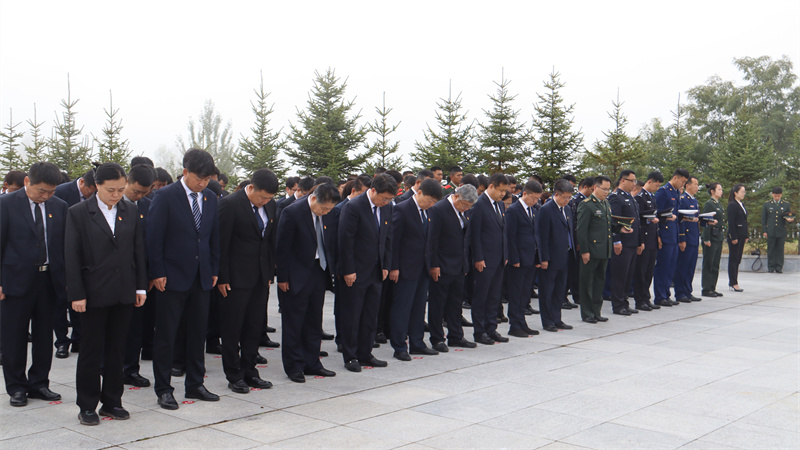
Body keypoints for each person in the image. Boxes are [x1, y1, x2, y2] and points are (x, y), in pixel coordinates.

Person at [66, 163, 148, 425]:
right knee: (91, 350)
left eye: (120, 190)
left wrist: (140, 286)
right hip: (92, 293)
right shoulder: (78, 213)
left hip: (124, 290)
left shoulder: (130, 210)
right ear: (97, 186)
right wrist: (77, 293)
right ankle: (87, 405)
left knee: (117, 349)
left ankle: (112, 401)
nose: (116, 195)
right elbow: (71, 255)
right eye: (111, 190)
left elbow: (138, 250)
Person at [147, 148, 220, 410]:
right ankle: (164, 388)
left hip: (201, 277)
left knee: (198, 333)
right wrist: (157, 272)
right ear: (185, 172)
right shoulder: (165, 196)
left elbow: (212, 236)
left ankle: (195, 384)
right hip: (172, 277)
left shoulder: (210, 197)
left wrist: (214, 269)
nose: (202, 184)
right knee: (167, 335)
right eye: (199, 178)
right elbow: (154, 237)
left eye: (207, 179)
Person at [0, 162, 67, 407]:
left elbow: (63, 246)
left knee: (43, 335)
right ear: (27, 181)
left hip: (48, 279)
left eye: (51, 191)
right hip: (15, 280)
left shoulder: (59, 206)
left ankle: (39, 383)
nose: (46, 196)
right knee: (14, 336)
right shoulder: (6, 204)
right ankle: (16, 387)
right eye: (41, 191)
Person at [216, 169, 278, 392]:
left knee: (254, 326)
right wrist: (222, 276)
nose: (265, 202)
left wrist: (269, 272)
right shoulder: (230, 204)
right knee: (233, 328)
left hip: (260, 277)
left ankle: (250, 370)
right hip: (235, 278)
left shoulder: (271, 206)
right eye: (262, 197)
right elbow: (221, 243)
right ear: (250, 187)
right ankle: (234, 374)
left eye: (269, 198)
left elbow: (269, 241)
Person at [277, 183, 340, 383]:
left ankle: (312, 362)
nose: (325, 212)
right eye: (323, 208)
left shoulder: (328, 213)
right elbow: (282, 247)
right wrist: (283, 278)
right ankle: (294, 366)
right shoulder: (292, 213)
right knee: (294, 322)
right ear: (313, 198)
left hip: (319, 270)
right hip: (296, 273)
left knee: (314, 320)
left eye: (329, 209)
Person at [338, 173, 395, 372]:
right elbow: (346, 240)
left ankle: (365, 352)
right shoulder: (353, 207)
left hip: (376, 270)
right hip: (355, 271)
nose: (386, 202)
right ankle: (350, 355)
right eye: (384, 198)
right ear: (373, 190)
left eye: (389, 199)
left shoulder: (387, 208)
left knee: (370, 315)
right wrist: (348, 269)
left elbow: (388, 238)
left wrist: (386, 265)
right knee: (353, 315)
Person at [388, 178, 442, 361]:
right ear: (419, 193)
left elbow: (432, 241)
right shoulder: (402, 209)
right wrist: (394, 267)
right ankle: (399, 346)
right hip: (405, 269)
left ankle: (417, 343)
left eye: (434, 202)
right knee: (402, 308)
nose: (431, 205)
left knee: (419, 308)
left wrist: (433, 264)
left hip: (423, 268)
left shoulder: (430, 212)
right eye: (429, 200)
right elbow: (394, 242)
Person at [426, 184, 478, 351]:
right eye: (464, 205)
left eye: (469, 206)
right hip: (442, 264)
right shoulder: (439, 209)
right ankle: (437, 338)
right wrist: (434, 264)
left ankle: (456, 335)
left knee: (455, 303)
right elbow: (433, 240)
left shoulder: (464, 212)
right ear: (456, 196)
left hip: (459, 264)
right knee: (438, 303)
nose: (466, 208)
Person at [53, 167, 98, 358]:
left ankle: (78, 339)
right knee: (60, 301)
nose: (92, 196)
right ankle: (62, 342)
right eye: (91, 192)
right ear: (83, 183)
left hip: (84, 255)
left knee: (79, 300)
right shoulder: (61, 193)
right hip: (60, 252)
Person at [122, 165, 156, 388]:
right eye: (136, 191)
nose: (139, 196)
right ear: (126, 181)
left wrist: (150, 275)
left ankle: (130, 369)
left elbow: (151, 243)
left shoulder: (148, 206)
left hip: (138, 277)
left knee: (135, 327)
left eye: (144, 192)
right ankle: (107, 367)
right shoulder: (112, 205)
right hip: (112, 277)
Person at [469, 173, 510, 345]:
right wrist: (478, 257)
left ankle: (491, 328)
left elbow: (503, 231)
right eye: (500, 190)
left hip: (499, 258)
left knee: (494, 296)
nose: (503, 194)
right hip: (484, 259)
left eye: (505, 191)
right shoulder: (479, 204)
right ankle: (479, 331)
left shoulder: (500, 204)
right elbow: (474, 234)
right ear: (491, 186)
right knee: (481, 296)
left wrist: (505, 254)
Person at [577, 176, 624, 323]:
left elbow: (608, 226)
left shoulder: (606, 204)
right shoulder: (586, 205)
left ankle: (596, 311)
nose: (606, 192)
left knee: (599, 282)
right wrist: (585, 251)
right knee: (587, 282)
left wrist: (621, 228)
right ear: (595, 187)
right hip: (591, 250)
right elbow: (581, 230)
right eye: (604, 189)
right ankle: (587, 313)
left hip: (604, 249)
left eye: (608, 189)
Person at [535, 179, 575, 332]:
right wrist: (543, 258)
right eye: (565, 197)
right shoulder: (546, 210)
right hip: (551, 257)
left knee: (560, 289)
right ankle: (547, 321)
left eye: (569, 197)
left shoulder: (568, 209)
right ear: (556, 194)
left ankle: (557, 318)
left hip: (565, 255)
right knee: (547, 290)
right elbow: (542, 236)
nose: (567, 200)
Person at [504, 180, 543, 337]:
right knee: (516, 293)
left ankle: (522, 322)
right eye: (533, 198)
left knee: (525, 293)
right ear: (525, 193)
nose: (535, 201)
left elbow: (536, 235)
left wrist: (538, 258)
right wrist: (514, 258)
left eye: (537, 199)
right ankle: (514, 324)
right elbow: (510, 236)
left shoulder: (533, 210)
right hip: (518, 259)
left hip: (530, 258)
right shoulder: (514, 210)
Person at [607, 170, 643, 315]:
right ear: (623, 180)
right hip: (622, 243)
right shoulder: (616, 197)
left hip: (632, 242)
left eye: (635, 181)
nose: (634, 184)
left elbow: (637, 223)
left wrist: (640, 241)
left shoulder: (630, 197)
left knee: (628, 276)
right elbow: (614, 221)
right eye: (631, 181)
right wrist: (616, 240)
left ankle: (625, 302)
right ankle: (618, 305)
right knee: (620, 275)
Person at [674, 176, 715, 303]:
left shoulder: (694, 200)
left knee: (691, 267)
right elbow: (681, 220)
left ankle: (687, 291)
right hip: (686, 238)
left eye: (698, 184)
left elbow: (695, 220)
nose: (697, 187)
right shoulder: (683, 200)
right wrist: (682, 238)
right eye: (695, 184)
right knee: (683, 266)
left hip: (693, 237)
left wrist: (707, 221)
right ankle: (680, 292)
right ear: (687, 185)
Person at [653, 168, 690, 306]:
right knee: (663, 266)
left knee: (670, 267)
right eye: (682, 181)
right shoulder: (663, 191)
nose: (683, 184)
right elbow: (655, 213)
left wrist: (680, 237)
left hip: (673, 235)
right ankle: (660, 296)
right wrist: (658, 235)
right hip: (665, 234)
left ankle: (666, 294)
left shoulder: (676, 192)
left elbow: (677, 216)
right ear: (675, 178)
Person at [633, 171, 663, 310]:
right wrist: (640, 241)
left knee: (649, 271)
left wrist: (657, 236)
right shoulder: (640, 198)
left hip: (652, 239)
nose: (657, 188)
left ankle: (646, 297)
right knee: (641, 271)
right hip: (644, 238)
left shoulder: (652, 197)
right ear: (649, 182)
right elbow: (639, 220)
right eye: (656, 185)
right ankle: (640, 300)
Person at [566, 177, 594, 308]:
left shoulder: (589, 200)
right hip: (577, 241)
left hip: (586, 240)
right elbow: (576, 223)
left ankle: (579, 295)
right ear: (585, 187)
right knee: (574, 270)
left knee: (581, 271)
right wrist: (577, 241)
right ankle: (574, 295)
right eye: (592, 189)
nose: (593, 192)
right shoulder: (576, 201)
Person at [701, 183, 727, 297]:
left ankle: (712, 287)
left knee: (715, 264)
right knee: (709, 263)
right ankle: (706, 288)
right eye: (719, 189)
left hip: (718, 236)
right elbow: (706, 221)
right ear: (712, 191)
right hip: (711, 237)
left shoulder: (719, 204)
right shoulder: (709, 204)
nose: (721, 191)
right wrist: (706, 238)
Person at [762, 186, 794, 273]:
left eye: (778, 196)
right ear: (772, 194)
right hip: (771, 231)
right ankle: (771, 267)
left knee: (780, 250)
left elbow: (788, 217)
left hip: (781, 230)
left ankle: (779, 267)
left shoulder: (786, 204)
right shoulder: (767, 204)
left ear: (781, 195)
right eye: (775, 196)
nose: (777, 197)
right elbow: (764, 219)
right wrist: (764, 231)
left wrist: (790, 220)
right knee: (771, 249)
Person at [727, 184, 748, 292]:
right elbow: (731, 222)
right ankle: (733, 283)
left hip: (741, 235)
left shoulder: (741, 204)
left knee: (738, 259)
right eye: (742, 192)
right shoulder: (732, 205)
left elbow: (744, 221)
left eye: (744, 192)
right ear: (735, 193)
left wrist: (746, 234)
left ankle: (734, 281)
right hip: (735, 236)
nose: (743, 194)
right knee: (734, 259)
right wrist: (733, 236)